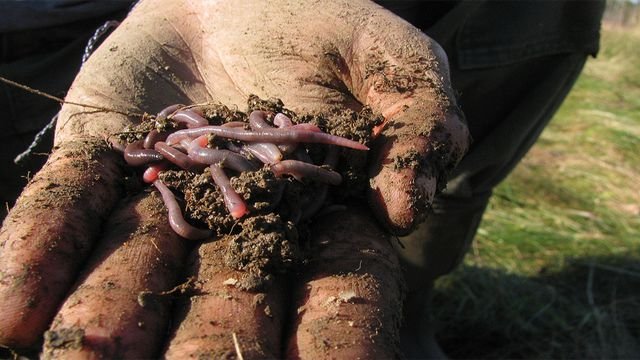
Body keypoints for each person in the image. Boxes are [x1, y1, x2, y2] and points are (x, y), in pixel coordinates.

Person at [0, 0, 604, 358]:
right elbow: (202, 152)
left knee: (434, 187)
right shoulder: (191, 142)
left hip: (501, 15)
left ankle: (411, 316)